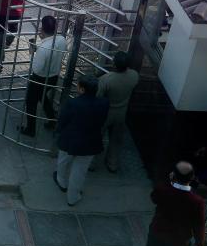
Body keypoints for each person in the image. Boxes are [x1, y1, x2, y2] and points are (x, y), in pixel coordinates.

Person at [53, 76, 109, 207]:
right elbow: (102, 121)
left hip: (69, 139)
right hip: (90, 141)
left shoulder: (72, 103)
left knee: (63, 160)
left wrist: (59, 131)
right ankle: (72, 197)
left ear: (82, 89)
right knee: (80, 171)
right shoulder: (104, 103)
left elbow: (63, 121)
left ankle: (61, 181)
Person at [22, 15, 68, 137]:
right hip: (53, 77)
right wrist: (42, 41)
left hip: (39, 78)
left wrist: (35, 52)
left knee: (31, 102)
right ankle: (52, 120)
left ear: (42, 29)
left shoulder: (43, 48)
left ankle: (30, 129)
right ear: (56, 27)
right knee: (43, 97)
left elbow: (36, 69)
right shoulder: (62, 40)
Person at [97, 51, 139, 173]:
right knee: (116, 139)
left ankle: (92, 163)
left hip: (106, 112)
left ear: (114, 64)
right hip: (122, 112)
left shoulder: (106, 79)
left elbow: (98, 97)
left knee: (97, 137)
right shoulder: (134, 75)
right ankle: (112, 164)